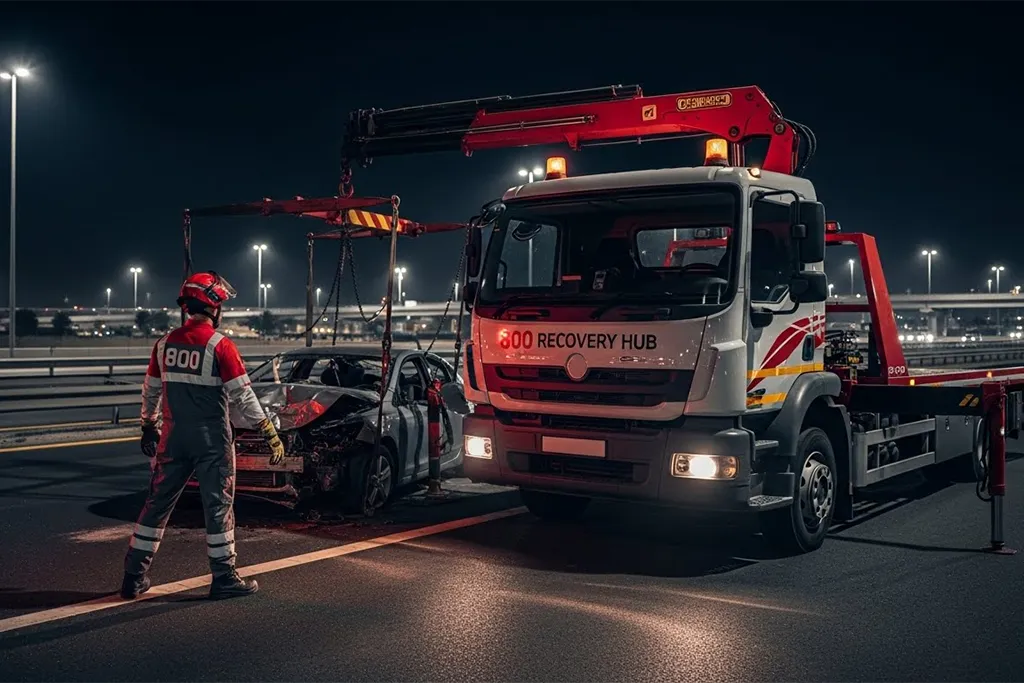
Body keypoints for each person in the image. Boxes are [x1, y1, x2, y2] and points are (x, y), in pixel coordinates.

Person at [120, 271, 285, 600]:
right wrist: (268, 431)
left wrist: (148, 426)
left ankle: (133, 576)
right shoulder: (220, 346)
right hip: (212, 442)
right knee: (218, 506)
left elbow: (150, 391)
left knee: (156, 506)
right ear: (214, 308)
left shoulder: (164, 344)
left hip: (173, 438)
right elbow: (243, 396)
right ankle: (223, 576)